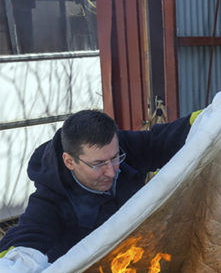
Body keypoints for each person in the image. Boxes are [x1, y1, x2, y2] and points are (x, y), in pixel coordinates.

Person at [0, 110, 195, 262]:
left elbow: (160, 141)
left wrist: (206, 119)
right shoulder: (51, 199)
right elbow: (29, 235)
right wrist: (10, 259)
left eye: (115, 158)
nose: (111, 171)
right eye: (98, 164)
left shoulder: (115, 146)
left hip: (143, 259)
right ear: (69, 161)